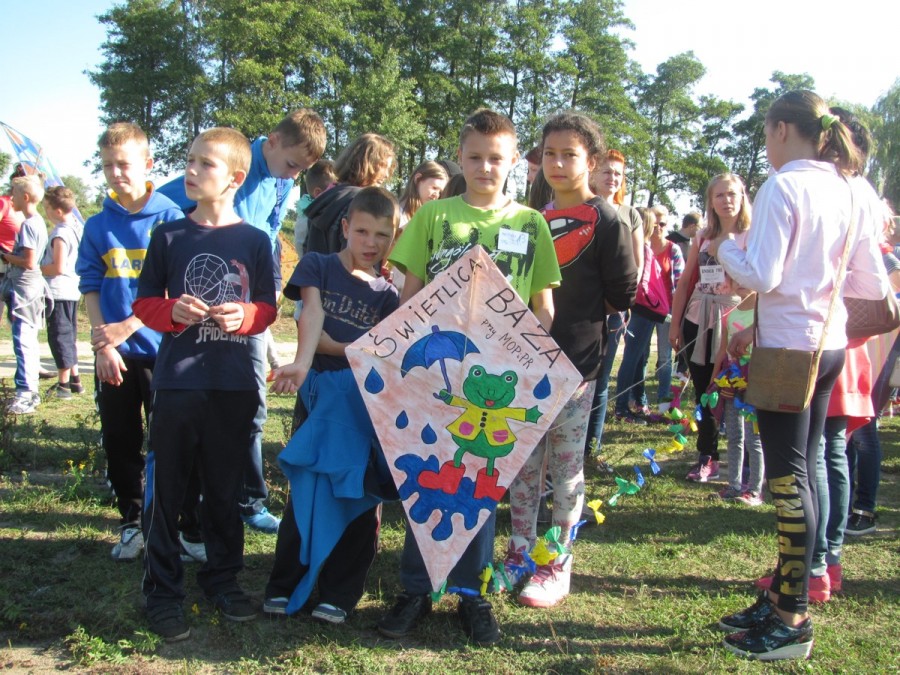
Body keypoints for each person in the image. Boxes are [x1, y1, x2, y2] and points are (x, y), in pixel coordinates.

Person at [711, 90, 888, 661]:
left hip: (789, 349)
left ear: (782, 129)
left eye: (766, 136)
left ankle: (791, 618)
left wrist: (722, 248)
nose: (766, 148)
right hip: (830, 345)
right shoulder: (852, 189)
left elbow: (761, 273)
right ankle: (787, 597)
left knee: (788, 478)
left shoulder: (786, 184)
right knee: (804, 472)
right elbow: (868, 284)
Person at [377, 108, 560, 646]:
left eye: (496, 159)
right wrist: (402, 356)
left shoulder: (530, 224)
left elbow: (544, 307)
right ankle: (415, 587)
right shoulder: (435, 216)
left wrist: (527, 361)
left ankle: (473, 594)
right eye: (475, 157)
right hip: (437, 373)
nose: (485, 167)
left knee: (481, 481)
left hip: (497, 383)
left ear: (515, 163)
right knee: (427, 477)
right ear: (460, 157)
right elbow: (410, 295)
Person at [134, 127, 278, 641]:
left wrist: (246, 315)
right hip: (177, 382)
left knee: (223, 490)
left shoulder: (256, 241)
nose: (191, 171)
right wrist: (170, 311)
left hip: (235, 384)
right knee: (168, 490)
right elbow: (144, 300)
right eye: (190, 161)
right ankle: (163, 591)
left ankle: (222, 579)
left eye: (204, 164)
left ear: (236, 178)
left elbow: (268, 308)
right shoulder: (169, 235)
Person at [160, 109, 327, 534]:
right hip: (199, 314)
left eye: (302, 171)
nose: (294, 175)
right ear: (271, 141)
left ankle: (246, 499)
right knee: (192, 410)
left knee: (250, 403)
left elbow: (270, 231)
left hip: (245, 310)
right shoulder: (226, 166)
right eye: (292, 165)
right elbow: (164, 206)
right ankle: (180, 509)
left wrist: (264, 296)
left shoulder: (282, 178)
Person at [503, 112, 636, 608]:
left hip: (575, 367)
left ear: (592, 161)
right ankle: (518, 551)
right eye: (549, 154)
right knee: (520, 465)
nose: (557, 164)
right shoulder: (526, 217)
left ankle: (555, 562)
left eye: (570, 155)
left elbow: (622, 294)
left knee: (564, 466)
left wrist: (572, 327)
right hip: (519, 362)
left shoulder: (609, 220)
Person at [264, 187, 400, 623]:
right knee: (307, 487)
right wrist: (344, 350)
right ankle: (285, 583)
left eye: (382, 234)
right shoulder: (316, 266)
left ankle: (340, 593)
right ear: (345, 228)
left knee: (359, 493)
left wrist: (335, 346)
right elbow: (310, 320)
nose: (371, 243)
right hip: (316, 396)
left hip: (363, 410)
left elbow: (382, 351)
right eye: (361, 231)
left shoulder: (388, 295)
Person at [75, 122, 185, 560]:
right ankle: (130, 522)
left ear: (147, 164)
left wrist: (129, 325)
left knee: (169, 443)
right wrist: (105, 344)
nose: (116, 173)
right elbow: (89, 285)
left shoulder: (170, 219)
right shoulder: (98, 225)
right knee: (120, 440)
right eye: (107, 166)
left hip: (164, 353)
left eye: (124, 164)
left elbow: (174, 289)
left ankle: (169, 522)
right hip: (114, 358)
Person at [670, 173, 752, 481]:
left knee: (736, 389)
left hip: (736, 319)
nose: (726, 200)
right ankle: (708, 455)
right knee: (704, 389)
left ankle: (745, 458)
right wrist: (675, 324)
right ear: (711, 201)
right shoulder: (702, 236)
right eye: (719, 195)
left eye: (732, 194)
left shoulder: (753, 235)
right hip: (698, 318)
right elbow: (686, 281)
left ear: (742, 197)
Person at [710, 288, 764, 505]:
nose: (741, 283)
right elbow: (722, 350)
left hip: (756, 379)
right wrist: (714, 379)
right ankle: (733, 484)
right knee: (734, 434)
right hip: (732, 379)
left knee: (754, 437)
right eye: (736, 277)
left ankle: (755, 489)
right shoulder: (729, 314)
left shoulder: (764, 314)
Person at [304, 133, 395, 256]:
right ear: (366, 163)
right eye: (383, 166)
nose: (386, 175)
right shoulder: (360, 202)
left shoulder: (328, 196)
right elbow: (357, 259)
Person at [1, 175, 47, 414]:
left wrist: (6, 256)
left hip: (24, 291)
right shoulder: (36, 222)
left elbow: (28, 261)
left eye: (13, 194)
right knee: (26, 340)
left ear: (25, 197)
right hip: (27, 289)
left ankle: (26, 394)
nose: (10, 198)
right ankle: (29, 391)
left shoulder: (29, 224)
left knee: (23, 341)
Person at [40, 186, 84, 398]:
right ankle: (75, 380)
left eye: (47, 208)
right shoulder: (75, 228)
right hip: (72, 290)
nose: (46, 212)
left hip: (58, 291)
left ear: (57, 210)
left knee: (59, 337)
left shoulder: (60, 233)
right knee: (69, 335)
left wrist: (35, 268)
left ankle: (63, 384)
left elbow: (57, 266)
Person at [397, 160, 449, 229]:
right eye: (434, 188)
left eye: (440, 192)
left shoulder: (430, 218)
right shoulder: (395, 213)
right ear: (418, 179)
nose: (437, 195)